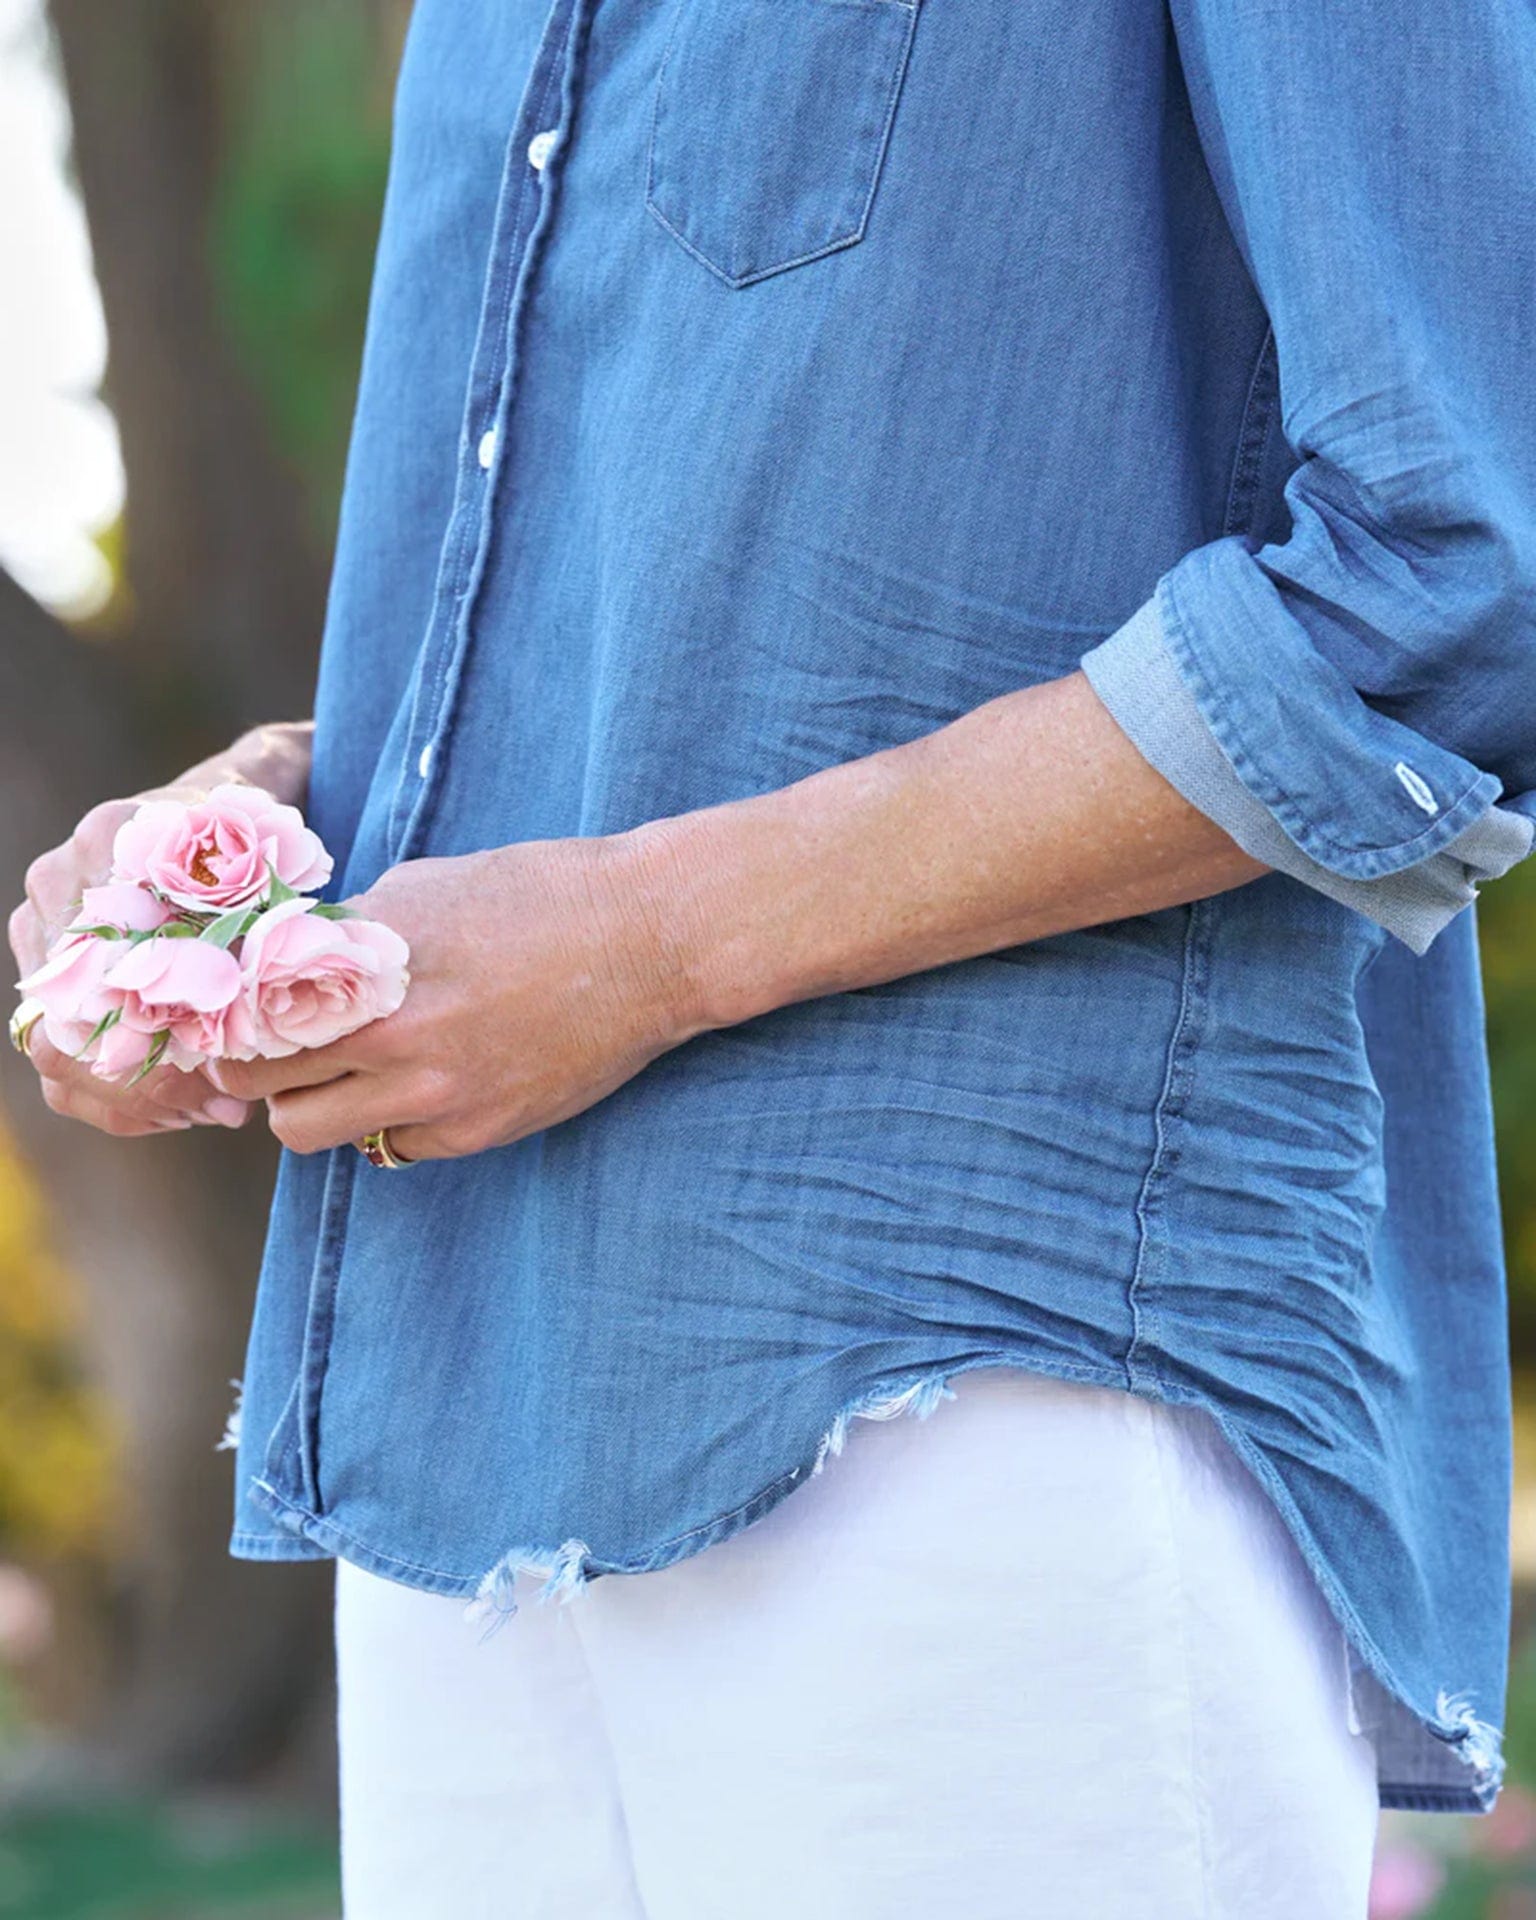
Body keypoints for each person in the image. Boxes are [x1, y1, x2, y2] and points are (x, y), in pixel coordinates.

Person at [11, 0, 1536, 1911]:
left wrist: (649, 944)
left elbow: (1466, 575)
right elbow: (647, 614)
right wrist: (241, 871)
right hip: (466, 1424)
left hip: (999, 1360)